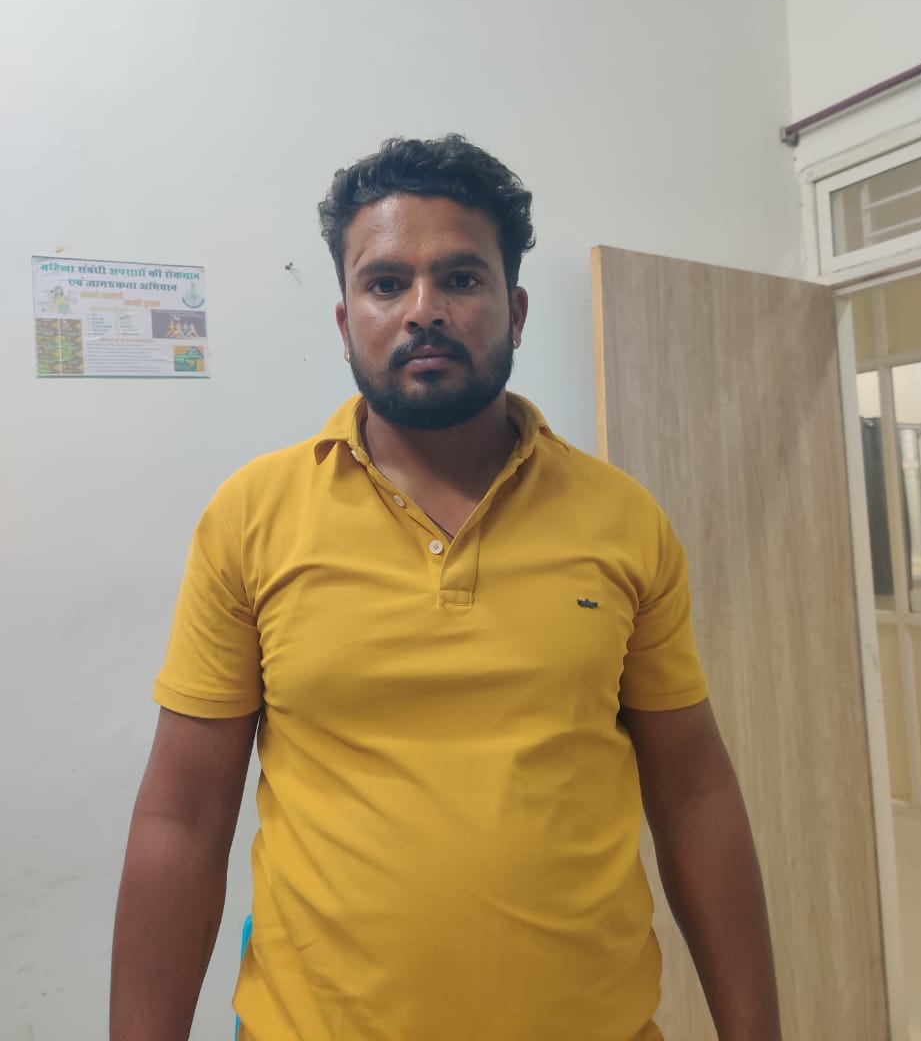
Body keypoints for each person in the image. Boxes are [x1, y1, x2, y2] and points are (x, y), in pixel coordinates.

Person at [111, 135, 781, 1041]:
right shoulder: (251, 519)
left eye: (460, 279)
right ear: (346, 323)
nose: (423, 310)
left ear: (516, 310)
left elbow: (695, 793)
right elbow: (183, 820)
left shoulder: (623, 520)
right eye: (386, 283)